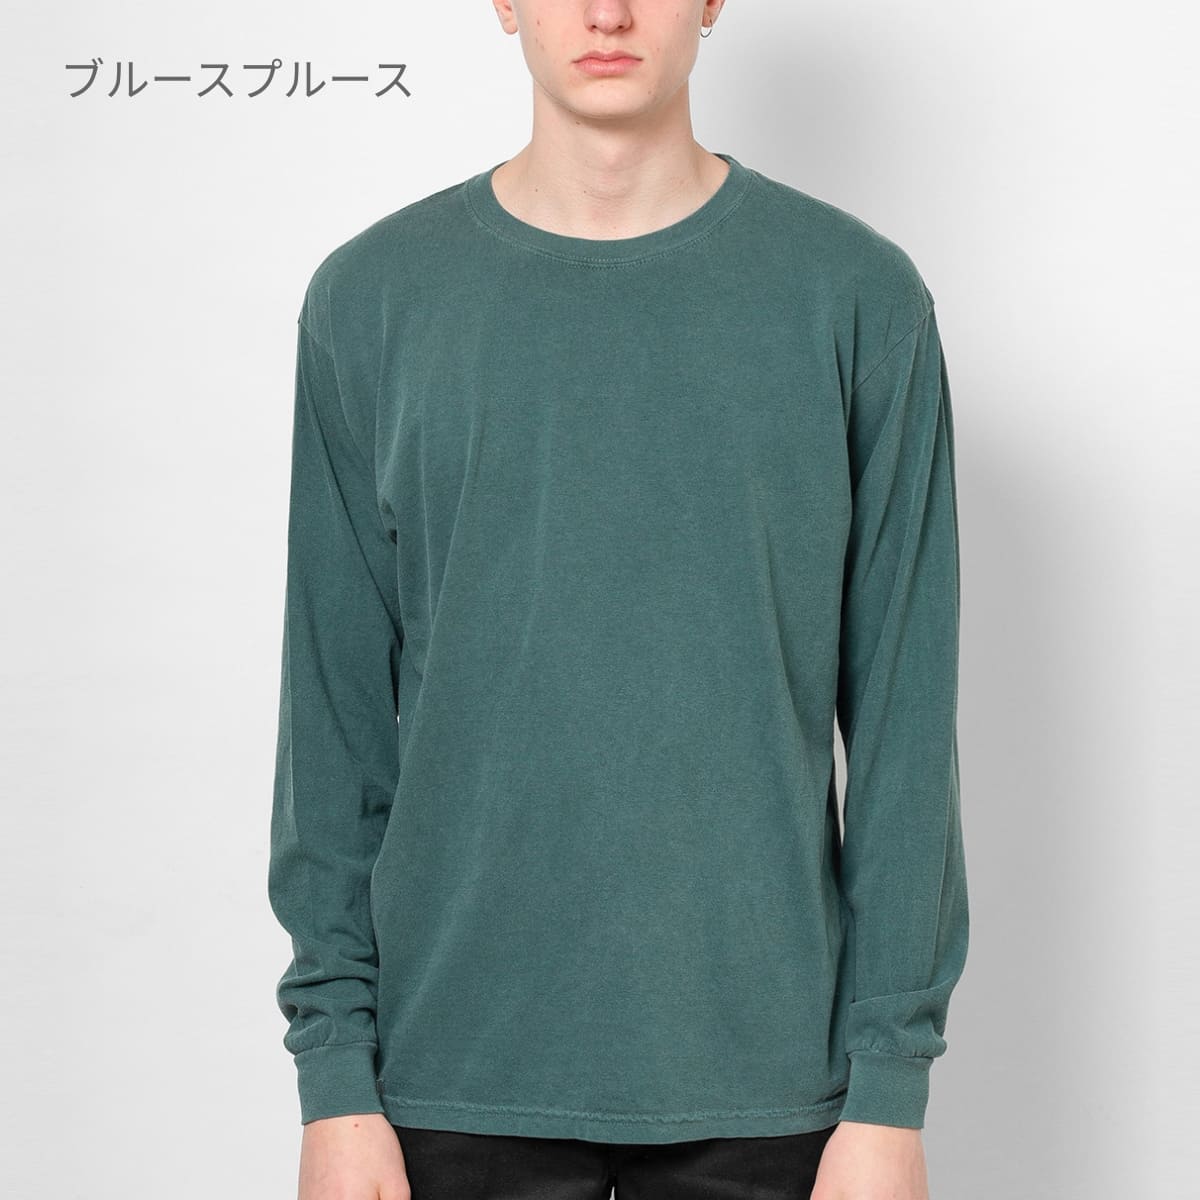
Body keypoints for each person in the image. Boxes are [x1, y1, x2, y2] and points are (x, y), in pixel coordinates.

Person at [267, 2, 970, 1197]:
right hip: (447, 1079)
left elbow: (906, 724)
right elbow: (331, 728)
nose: (607, 11)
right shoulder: (373, 300)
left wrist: (889, 1092)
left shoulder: (854, 297)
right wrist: (334, 1078)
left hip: (773, 1088)